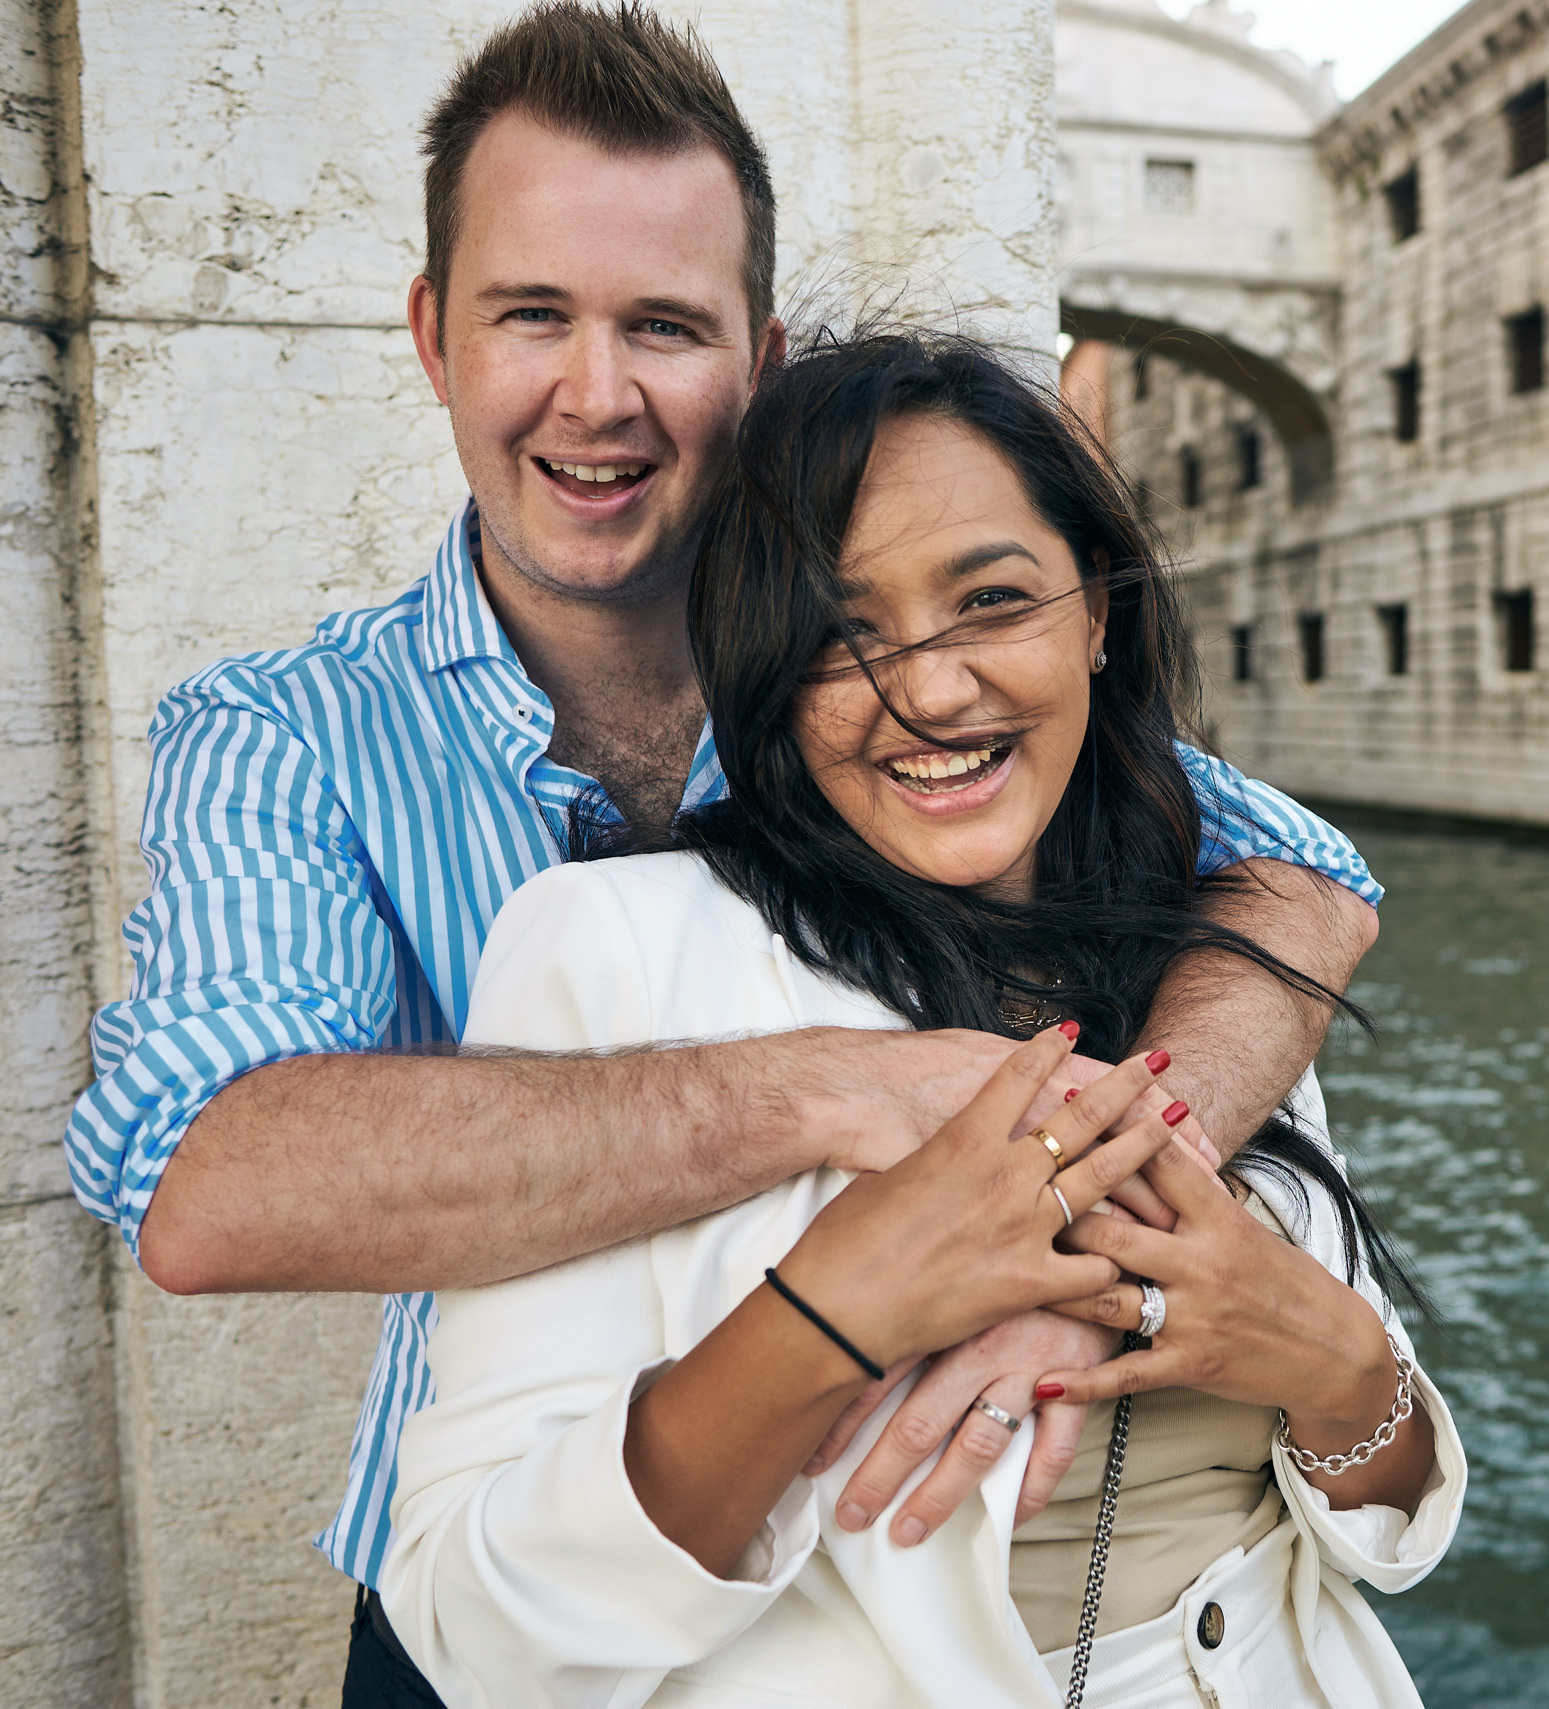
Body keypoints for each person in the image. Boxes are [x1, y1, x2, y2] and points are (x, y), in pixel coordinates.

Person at [55, 5, 1384, 1693]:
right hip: (502, 1570)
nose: (596, 396)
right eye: (531, 314)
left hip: (881, 1594)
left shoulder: (883, 689)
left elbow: (1297, 882)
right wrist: (820, 1085)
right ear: (434, 337)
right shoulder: (281, 730)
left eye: (664, 326)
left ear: (755, 360)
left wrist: (1095, 1202)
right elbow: (202, 1180)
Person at [381, 325, 1462, 1708]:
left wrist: (1336, 1361)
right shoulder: (614, 949)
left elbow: (1389, 1517)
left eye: (990, 600)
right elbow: (476, 1624)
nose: (931, 690)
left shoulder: (1206, 951)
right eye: (844, 632)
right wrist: (837, 1305)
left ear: (1097, 612)